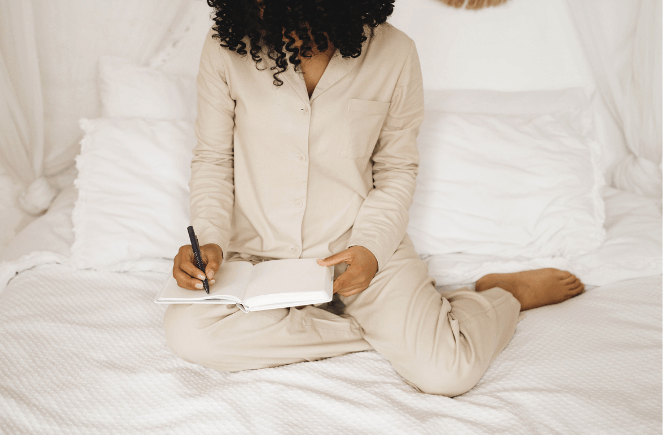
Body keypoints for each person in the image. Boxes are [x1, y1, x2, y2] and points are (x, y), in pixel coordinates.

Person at [163, 0, 585, 397]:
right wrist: (209, 240)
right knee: (189, 333)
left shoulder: (396, 52)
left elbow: (396, 169)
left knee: (447, 373)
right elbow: (214, 160)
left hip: (360, 247)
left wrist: (370, 249)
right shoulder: (225, 49)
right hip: (257, 256)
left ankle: (498, 295)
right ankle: (407, 329)